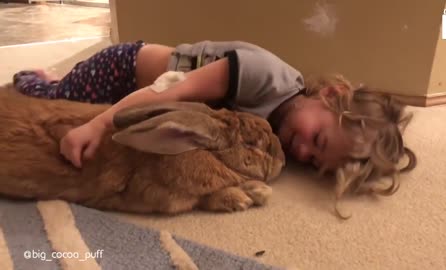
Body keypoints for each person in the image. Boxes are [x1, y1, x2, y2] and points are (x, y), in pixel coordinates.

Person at [13, 40, 416, 202]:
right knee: (52, 101)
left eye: (313, 161)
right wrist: (99, 124)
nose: (302, 152)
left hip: (154, 90)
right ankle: (43, 77)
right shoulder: (263, 74)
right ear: (330, 97)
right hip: (124, 72)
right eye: (318, 140)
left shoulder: (281, 132)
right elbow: (169, 91)